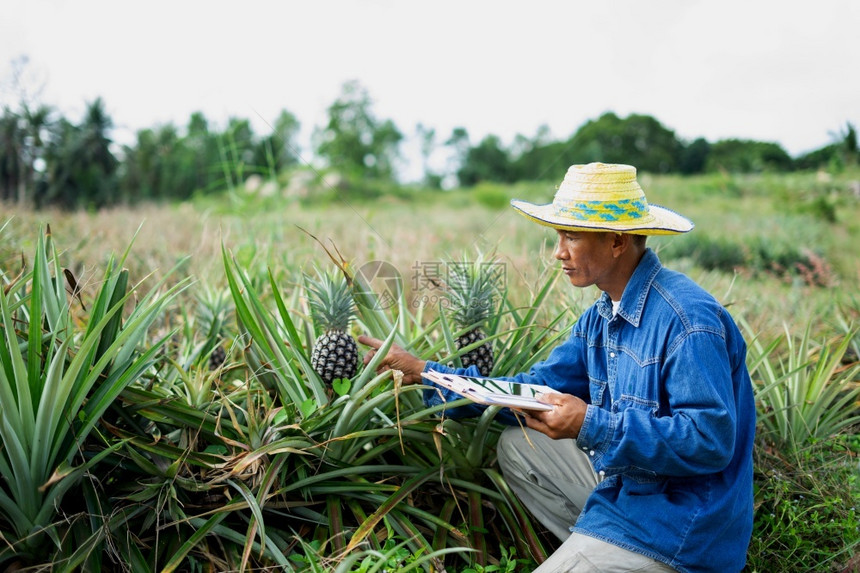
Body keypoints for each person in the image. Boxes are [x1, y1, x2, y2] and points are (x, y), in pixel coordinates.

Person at [359, 162, 755, 573]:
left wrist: (592, 423)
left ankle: (631, 559)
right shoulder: (601, 317)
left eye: (571, 235)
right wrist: (427, 372)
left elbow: (710, 441)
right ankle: (603, 549)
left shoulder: (688, 320)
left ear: (617, 242)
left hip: (681, 527)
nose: (558, 251)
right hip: (629, 493)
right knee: (518, 447)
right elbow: (536, 388)